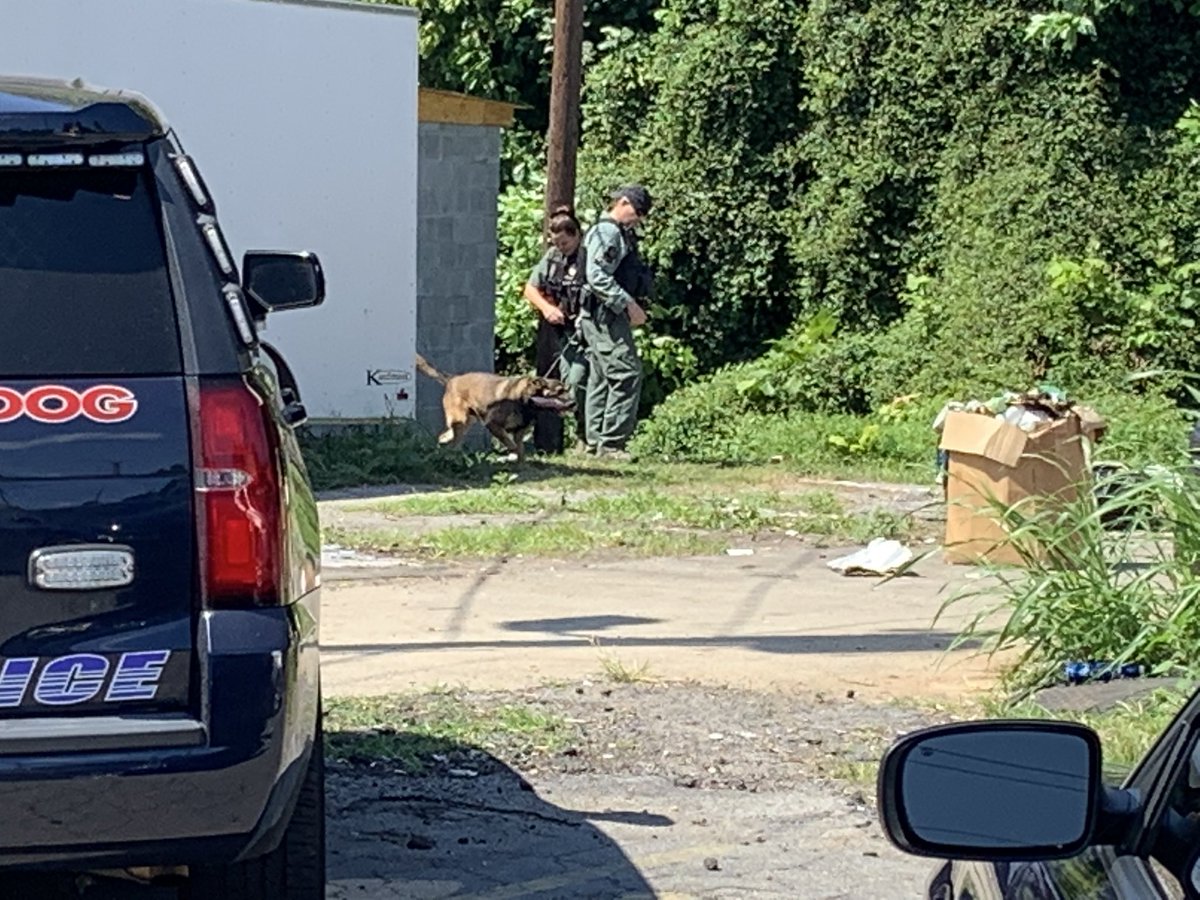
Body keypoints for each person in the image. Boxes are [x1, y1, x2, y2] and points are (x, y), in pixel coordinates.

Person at [578, 184, 654, 460]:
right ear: (622, 203)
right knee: (626, 373)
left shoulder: (612, 232)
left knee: (601, 375)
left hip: (600, 315)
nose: (639, 219)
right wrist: (629, 305)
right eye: (638, 211)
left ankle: (595, 441)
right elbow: (596, 275)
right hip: (605, 316)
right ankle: (611, 445)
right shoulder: (609, 232)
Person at [524, 205, 589, 453]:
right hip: (563, 335)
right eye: (556, 242)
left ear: (576, 236)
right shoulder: (552, 257)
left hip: (585, 331)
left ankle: (585, 437)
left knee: (577, 380)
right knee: (564, 386)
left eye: (564, 242)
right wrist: (546, 308)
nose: (560, 247)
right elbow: (530, 289)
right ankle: (571, 440)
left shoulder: (588, 257)